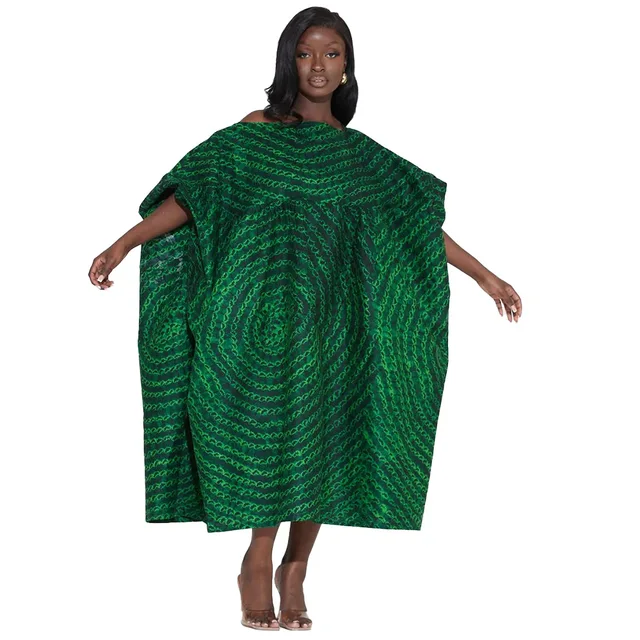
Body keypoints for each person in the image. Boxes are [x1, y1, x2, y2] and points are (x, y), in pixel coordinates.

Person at [88, 6, 522, 632]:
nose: (318, 65)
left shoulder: (360, 157)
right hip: (259, 322)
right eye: (305, 53)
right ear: (288, 61)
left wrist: (485, 277)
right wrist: (122, 245)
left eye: (332, 54)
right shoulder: (253, 134)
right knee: (265, 431)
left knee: (325, 438)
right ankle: (256, 559)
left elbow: (417, 227)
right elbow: (192, 199)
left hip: (336, 328)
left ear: (348, 68)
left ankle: (295, 568)